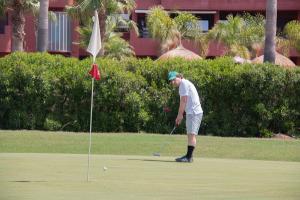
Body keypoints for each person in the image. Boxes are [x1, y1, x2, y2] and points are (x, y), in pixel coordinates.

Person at [168, 71, 203, 163]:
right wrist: (181, 115)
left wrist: (179, 115)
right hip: (192, 112)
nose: (172, 82)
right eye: (170, 81)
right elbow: (185, 101)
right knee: (190, 134)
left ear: (179, 77)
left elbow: (183, 101)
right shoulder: (183, 84)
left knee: (191, 134)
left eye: (173, 80)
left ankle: (189, 157)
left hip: (194, 112)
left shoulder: (183, 84)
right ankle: (188, 156)